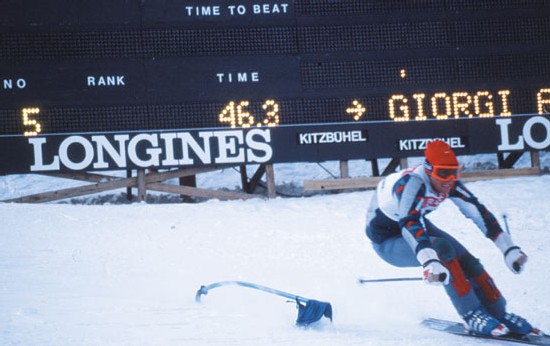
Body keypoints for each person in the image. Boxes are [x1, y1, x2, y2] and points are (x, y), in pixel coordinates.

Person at [365, 140, 540, 336]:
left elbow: (477, 211)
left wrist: (507, 248)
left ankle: (498, 312)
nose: (449, 180)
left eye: (454, 172)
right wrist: (430, 261)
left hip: (413, 224)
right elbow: (409, 222)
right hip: (388, 239)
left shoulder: (449, 182)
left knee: (467, 260)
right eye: (442, 173)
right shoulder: (412, 184)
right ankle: (471, 312)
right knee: (442, 250)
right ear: (429, 170)